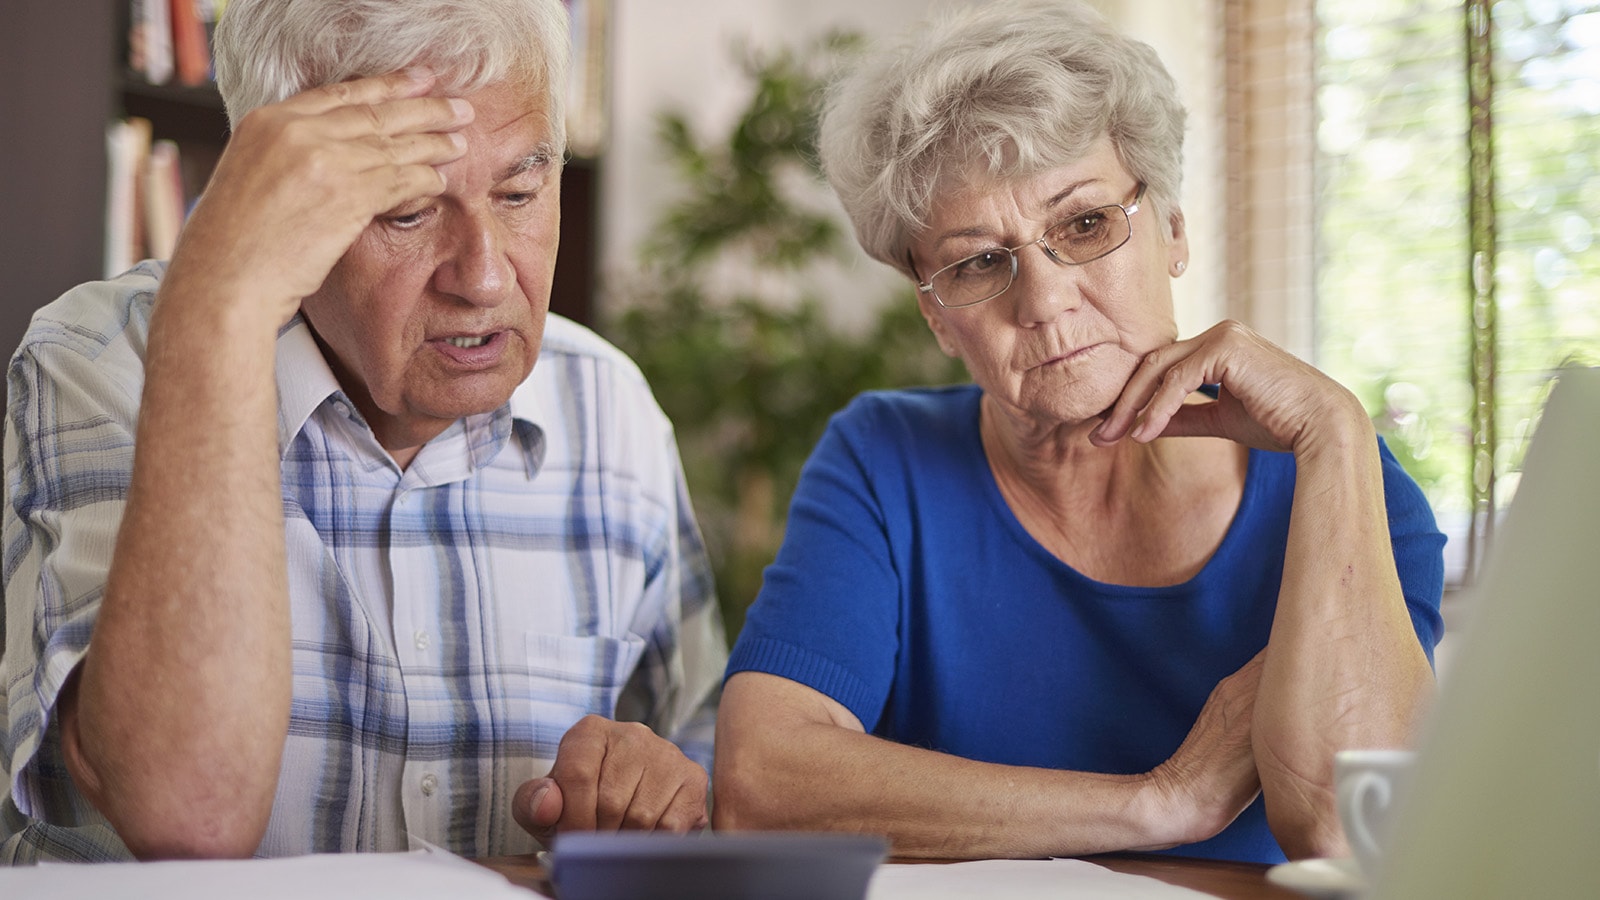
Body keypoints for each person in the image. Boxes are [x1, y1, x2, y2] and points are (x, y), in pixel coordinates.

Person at [713, 0, 1444, 865]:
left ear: (1172, 231)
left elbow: (1341, 831)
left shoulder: (1348, 480)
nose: (1046, 300)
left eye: (1086, 224)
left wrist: (1334, 426)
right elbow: (763, 787)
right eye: (980, 261)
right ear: (940, 318)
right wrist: (1159, 803)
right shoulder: (885, 461)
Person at [0, 0, 725, 864]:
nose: (485, 275)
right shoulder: (104, 360)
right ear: (275, 192)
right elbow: (184, 813)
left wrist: (659, 790)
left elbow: (709, 767)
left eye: (521, 191)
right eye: (408, 211)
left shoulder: (611, 406)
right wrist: (219, 300)